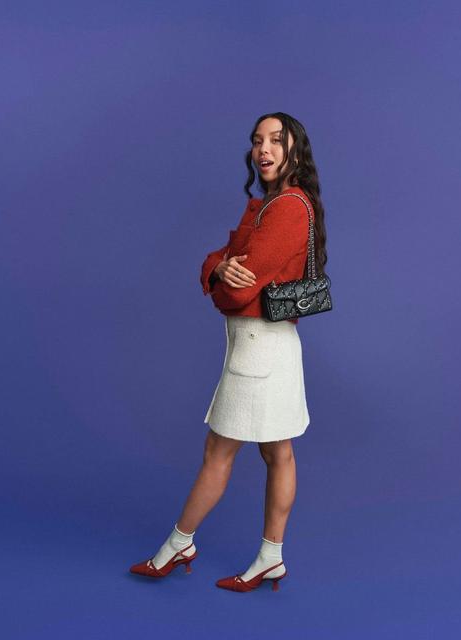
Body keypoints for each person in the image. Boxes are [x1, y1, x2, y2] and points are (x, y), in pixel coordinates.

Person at [129, 112, 328, 592]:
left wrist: (221, 278)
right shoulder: (268, 205)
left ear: (295, 149)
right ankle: (270, 558)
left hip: (260, 348)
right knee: (278, 452)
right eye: (258, 141)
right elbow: (219, 260)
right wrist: (219, 267)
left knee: (222, 452)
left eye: (276, 141)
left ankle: (179, 544)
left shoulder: (285, 209)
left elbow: (239, 293)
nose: (264, 150)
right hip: (269, 346)